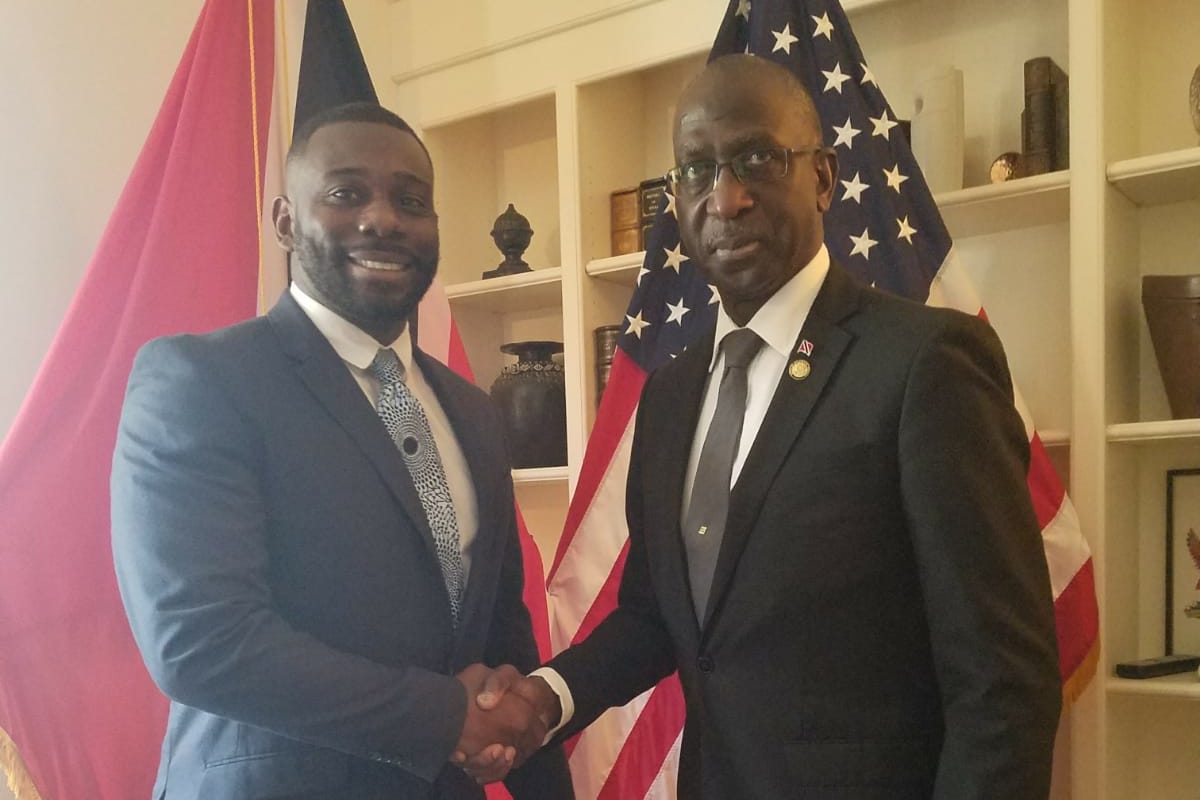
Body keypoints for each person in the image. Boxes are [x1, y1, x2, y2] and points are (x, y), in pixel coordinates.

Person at [471, 54, 1062, 798]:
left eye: (756, 158)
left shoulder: (925, 364)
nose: (727, 197)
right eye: (695, 170)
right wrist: (545, 697)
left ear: (823, 177)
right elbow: (660, 617)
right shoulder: (672, 394)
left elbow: (1003, 684)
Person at [111, 101, 573, 800]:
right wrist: (447, 717)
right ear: (285, 219)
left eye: (410, 201)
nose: (383, 218)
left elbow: (500, 631)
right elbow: (202, 642)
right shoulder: (203, 381)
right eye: (346, 193)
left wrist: (526, 751)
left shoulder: (474, 412)